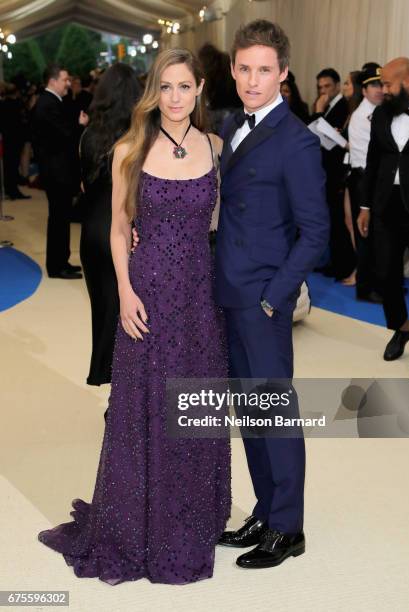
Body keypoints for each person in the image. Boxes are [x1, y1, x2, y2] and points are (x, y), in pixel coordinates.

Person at [38, 48, 231, 585]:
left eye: (185, 87)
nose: (175, 98)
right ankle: (140, 523)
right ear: (154, 92)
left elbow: (217, 220)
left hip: (198, 295)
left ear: (199, 91)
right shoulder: (130, 148)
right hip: (146, 291)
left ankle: (194, 515)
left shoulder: (216, 148)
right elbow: (118, 229)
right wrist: (124, 290)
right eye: (166, 87)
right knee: (144, 405)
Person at [214, 20, 329, 569]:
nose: (252, 80)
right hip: (230, 293)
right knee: (251, 414)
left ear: (283, 74)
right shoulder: (235, 124)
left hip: (262, 301)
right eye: (244, 68)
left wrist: (274, 296)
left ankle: (288, 527)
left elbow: (317, 233)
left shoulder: (297, 141)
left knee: (274, 414)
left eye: (264, 70)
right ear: (233, 69)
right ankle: (266, 509)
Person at [79, 63, 142, 386]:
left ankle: (111, 385)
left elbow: (84, 187)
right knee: (129, 316)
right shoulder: (139, 138)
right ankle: (124, 397)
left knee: (104, 313)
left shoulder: (90, 135)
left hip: (91, 235)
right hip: (124, 232)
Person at [358, 57, 409, 368]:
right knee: (385, 274)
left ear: (407, 82)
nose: (383, 90)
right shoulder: (382, 114)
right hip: (385, 207)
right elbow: (372, 163)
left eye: (388, 84)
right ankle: (403, 328)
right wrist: (365, 206)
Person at [32, 64, 82, 279]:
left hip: (57, 171)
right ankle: (57, 265)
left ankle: (62, 261)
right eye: (64, 80)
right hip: (56, 172)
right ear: (52, 81)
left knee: (61, 218)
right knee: (58, 219)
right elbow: (65, 135)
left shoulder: (52, 102)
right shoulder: (47, 104)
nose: (68, 84)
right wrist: (80, 125)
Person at [312, 68, 356, 280]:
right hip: (328, 172)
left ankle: (343, 265)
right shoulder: (334, 105)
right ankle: (335, 263)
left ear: (337, 85)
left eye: (328, 86)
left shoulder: (342, 105)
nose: (323, 91)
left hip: (338, 171)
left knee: (340, 221)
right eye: (320, 87)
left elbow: (327, 136)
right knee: (333, 220)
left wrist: (319, 113)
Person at [346, 64, 383, 302]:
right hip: (364, 179)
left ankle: (379, 284)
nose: (379, 89)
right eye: (374, 85)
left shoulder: (380, 113)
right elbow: (371, 157)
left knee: (378, 235)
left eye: (381, 84)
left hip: (373, 179)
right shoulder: (363, 117)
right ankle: (366, 288)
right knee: (366, 234)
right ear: (365, 89)